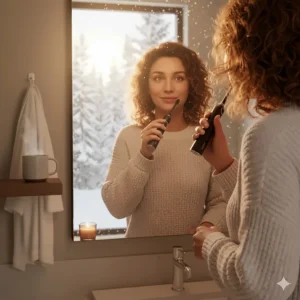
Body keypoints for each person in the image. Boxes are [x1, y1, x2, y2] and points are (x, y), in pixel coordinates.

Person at [192, 0, 300, 299]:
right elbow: (286, 212)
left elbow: (268, 283)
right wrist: (225, 165)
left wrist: (211, 241)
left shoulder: (273, 134)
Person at [101, 42, 227, 238]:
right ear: (146, 85)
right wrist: (143, 155)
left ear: (191, 84)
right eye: (158, 78)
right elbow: (117, 208)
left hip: (191, 257)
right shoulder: (129, 137)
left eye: (178, 78)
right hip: (138, 258)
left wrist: (208, 225)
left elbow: (222, 200)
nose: (168, 88)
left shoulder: (204, 137)